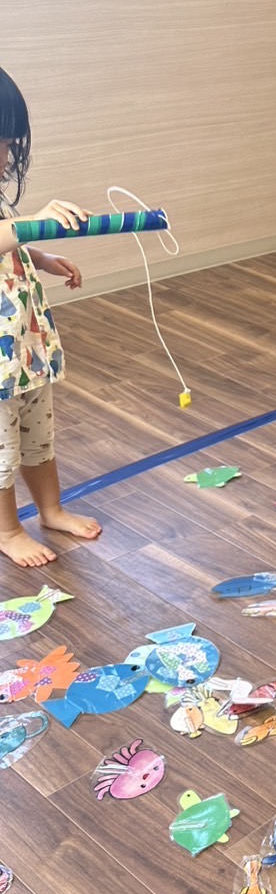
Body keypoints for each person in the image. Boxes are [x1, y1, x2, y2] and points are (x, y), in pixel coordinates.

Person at [0, 65, 100, 567]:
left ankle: (51, 509)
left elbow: (7, 241)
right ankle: (7, 530)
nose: (4, 155)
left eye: (7, 143)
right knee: (1, 452)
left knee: (38, 437)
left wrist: (40, 256)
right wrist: (32, 224)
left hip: (25, 346)